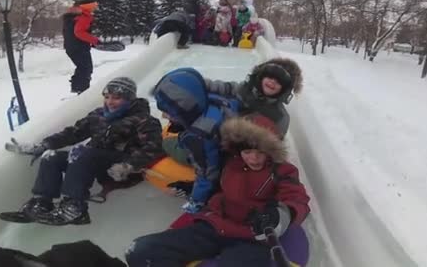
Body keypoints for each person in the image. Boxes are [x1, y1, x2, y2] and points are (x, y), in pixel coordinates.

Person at [125, 116, 311, 267]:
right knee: (141, 250)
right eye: (247, 151)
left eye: (260, 152)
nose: (253, 158)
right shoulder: (231, 164)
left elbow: (297, 199)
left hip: (253, 238)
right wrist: (190, 187)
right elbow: (215, 187)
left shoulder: (282, 170)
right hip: (216, 227)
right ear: (238, 150)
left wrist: (281, 214)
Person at [3, 77, 164, 225]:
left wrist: (129, 165)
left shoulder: (144, 120)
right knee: (52, 157)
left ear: (129, 99)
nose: (110, 102)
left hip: (121, 169)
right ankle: (42, 203)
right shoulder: (99, 115)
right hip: (93, 161)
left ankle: (75, 207)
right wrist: (44, 144)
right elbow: (74, 133)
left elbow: (152, 148)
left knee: (83, 153)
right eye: (107, 97)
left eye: (116, 98)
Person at [152, 68, 239, 213]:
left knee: (167, 143)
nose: (164, 116)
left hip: (218, 154)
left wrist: (196, 200)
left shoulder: (198, 136)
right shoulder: (215, 99)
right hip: (224, 138)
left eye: (168, 112)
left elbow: (207, 173)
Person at [205, 58, 302, 137]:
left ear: (285, 90)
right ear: (261, 76)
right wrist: (202, 82)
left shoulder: (280, 116)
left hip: (241, 146)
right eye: (270, 76)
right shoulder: (245, 89)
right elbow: (224, 87)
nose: (272, 82)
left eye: (279, 81)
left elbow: (273, 145)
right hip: (216, 128)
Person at [62, 0, 101, 94]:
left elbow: (70, 33)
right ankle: (82, 92)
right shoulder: (84, 16)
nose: (95, 7)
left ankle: (78, 88)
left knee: (82, 67)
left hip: (71, 47)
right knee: (86, 68)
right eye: (94, 4)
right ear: (88, 6)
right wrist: (95, 40)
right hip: (79, 48)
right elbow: (79, 32)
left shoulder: (72, 16)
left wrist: (89, 42)